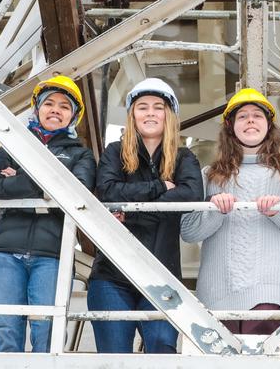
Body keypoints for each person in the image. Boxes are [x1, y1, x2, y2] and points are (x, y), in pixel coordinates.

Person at [181, 88, 280, 335]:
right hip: (218, 291)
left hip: (276, 287)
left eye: (257, 115)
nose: (250, 120)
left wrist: (278, 212)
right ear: (230, 126)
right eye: (243, 116)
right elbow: (188, 231)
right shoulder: (208, 175)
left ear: (269, 126)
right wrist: (216, 211)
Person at [87, 78, 203, 353]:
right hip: (112, 276)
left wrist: (135, 211)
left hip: (162, 274)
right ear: (132, 115)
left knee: (163, 349)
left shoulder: (184, 157)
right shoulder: (114, 153)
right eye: (142, 107)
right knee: (115, 358)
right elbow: (107, 192)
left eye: (158, 107)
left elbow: (191, 195)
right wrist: (160, 186)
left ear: (169, 115)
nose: (150, 113)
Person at [0, 76, 96, 352]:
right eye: (49, 103)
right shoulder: (13, 145)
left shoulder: (82, 156)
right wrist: (49, 182)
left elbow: (76, 192)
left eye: (64, 106)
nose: (56, 109)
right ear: (37, 108)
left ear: (73, 116)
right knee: (5, 330)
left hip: (52, 254)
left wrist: (19, 177)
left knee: (49, 333)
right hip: (3, 253)